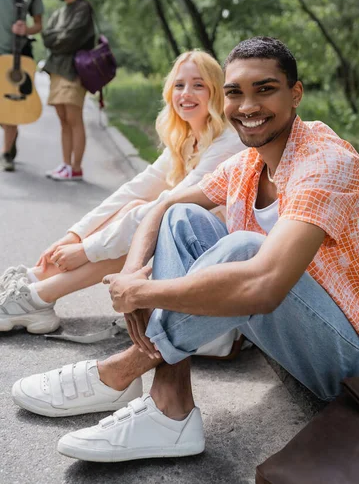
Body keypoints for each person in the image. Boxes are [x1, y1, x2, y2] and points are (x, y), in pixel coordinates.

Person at [11, 36, 359, 464]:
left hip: (355, 363)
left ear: (295, 94)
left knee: (248, 249)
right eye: (235, 92)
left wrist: (143, 295)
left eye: (264, 89)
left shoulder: (325, 163)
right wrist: (133, 272)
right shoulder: (249, 161)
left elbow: (264, 286)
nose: (247, 105)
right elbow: (162, 208)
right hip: (295, 332)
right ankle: (170, 411)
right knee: (183, 221)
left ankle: (118, 373)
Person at [0, 50, 244, 338]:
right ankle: (36, 281)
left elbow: (165, 206)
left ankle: (38, 296)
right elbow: (135, 188)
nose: (186, 93)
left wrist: (86, 251)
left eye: (198, 85)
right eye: (179, 85)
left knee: (147, 220)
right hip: (192, 251)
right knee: (136, 206)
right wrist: (76, 234)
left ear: (215, 91)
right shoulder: (189, 137)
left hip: (222, 264)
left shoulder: (227, 145)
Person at [42, 0, 95, 181]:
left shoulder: (83, 8)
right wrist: (56, 37)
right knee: (63, 120)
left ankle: (76, 168)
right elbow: (46, 37)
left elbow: (70, 38)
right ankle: (65, 165)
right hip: (56, 70)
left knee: (74, 119)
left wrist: (56, 37)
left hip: (74, 71)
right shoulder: (59, 12)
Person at [0, 0, 44, 172]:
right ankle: (9, 137)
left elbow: (38, 24)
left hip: (17, 54)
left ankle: (6, 153)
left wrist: (25, 29)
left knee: (11, 105)